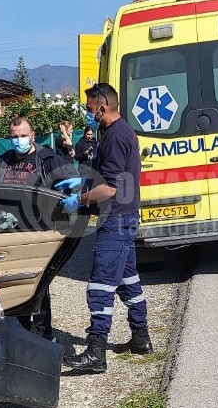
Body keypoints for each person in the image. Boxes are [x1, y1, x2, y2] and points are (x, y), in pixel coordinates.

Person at [61, 83, 152, 374]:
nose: (88, 115)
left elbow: (110, 188)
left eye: (90, 110)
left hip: (115, 220)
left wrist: (80, 200)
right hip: (126, 218)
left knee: (100, 286)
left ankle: (96, 351)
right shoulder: (122, 131)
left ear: (102, 107)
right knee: (128, 282)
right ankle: (141, 337)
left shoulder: (114, 136)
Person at [0, 117, 82, 342]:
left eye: (23, 135)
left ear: (32, 136)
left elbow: (73, 182)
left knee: (39, 283)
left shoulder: (48, 158)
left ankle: (44, 334)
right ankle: (22, 331)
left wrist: (67, 201)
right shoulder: (5, 160)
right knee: (16, 283)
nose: (18, 140)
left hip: (42, 231)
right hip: (14, 230)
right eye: (14, 136)